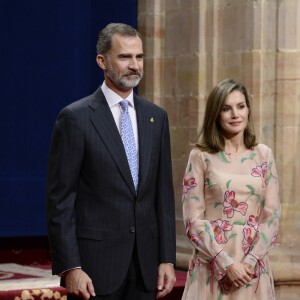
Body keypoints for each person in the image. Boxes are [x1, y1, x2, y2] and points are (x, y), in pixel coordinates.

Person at [46, 23, 176, 300]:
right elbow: (61, 200)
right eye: (125, 57)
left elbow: (163, 196)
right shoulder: (76, 118)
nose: (134, 65)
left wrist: (166, 258)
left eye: (139, 57)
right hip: (94, 270)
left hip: (145, 266)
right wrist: (71, 266)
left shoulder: (157, 117)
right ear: (102, 61)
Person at [181, 79, 280, 299]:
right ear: (216, 114)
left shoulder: (264, 154)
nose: (235, 114)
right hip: (213, 265)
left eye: (241, 106)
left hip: (251, 268)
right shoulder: (200, 156)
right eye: (226, 108)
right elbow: (192, 221)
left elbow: (271, 217)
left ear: (248, 110)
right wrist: (225, 263)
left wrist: (250, 262)